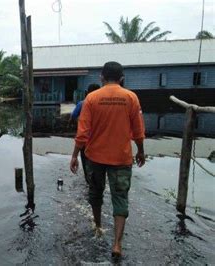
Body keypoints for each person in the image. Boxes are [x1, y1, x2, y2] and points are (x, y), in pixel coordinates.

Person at [69, 61, 145, 259]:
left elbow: (83, 132)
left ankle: (99, 226)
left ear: (101, 77)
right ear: (121, 78)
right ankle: (117, 244)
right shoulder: (131, 97)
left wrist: (75, 155)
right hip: (121, 157)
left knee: (95, 192)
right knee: (120, 197)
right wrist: (141, 151)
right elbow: (138, 131)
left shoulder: (91, 99)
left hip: (95, 157)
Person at [68, 83, 100, 183]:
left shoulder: (82, 103)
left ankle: (88, 181)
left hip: (85, 140)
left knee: (86, 163)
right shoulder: (103, 104)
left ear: (86, 92)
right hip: (100, 140)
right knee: (99, 166)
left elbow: (73, 116)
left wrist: (73, 124)